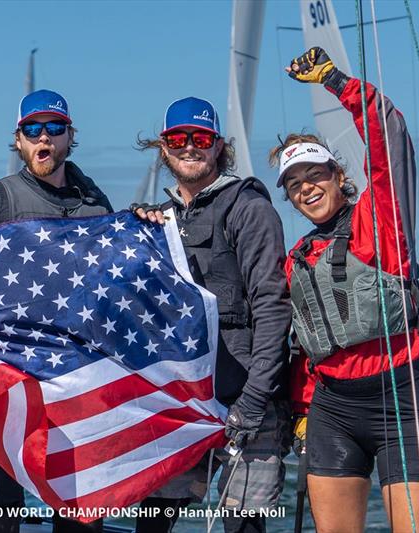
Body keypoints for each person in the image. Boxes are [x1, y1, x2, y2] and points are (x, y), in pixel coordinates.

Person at [275, 48, 419, 532]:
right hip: (333, 410)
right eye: (294, 184)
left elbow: (390, 138)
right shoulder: (298, 258)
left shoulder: (379, 222)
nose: (306, 188)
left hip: (402, 400)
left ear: (339, 177)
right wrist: (303, 409)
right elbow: (306, 342)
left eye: (315, 175)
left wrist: (334, 81)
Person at [133, 96, 292, 533]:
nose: (189, 146)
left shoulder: (249, 207)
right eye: (177, 138)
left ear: (218, 145)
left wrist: (255, 398)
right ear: (163, 147)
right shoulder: (154, 218)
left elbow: (272, 304)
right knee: (152, 522)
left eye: (200, 137)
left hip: (247, 399)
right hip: (179, 402)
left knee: (242, 527)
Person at [0, 89, 112, 533]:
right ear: (19, 140)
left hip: (77, 377)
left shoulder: (96, 204)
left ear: (70, 136)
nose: (43, 136)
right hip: (8, 378)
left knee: (82, 509)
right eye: (32, 129)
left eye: (54, 128)